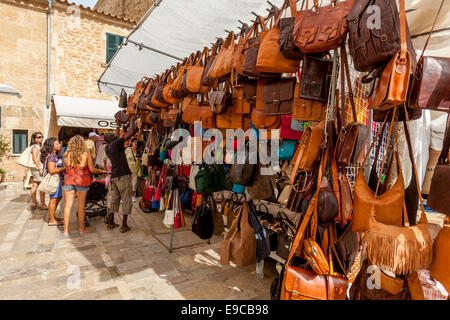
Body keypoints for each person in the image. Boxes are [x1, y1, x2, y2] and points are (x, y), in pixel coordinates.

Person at [63, 135, 106, 235]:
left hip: (68, 180)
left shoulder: (67, 154)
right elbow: (92, 170)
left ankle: (65, 230)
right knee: (81, 206)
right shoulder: (86, 154)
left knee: (67, 206)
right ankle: (82, 229)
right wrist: (101, 170)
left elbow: (67, 168)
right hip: (81, 181)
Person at [104, 115, 140, 233]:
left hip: (114, 176)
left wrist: (118, 124)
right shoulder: (115, 144)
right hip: (123, 175)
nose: (115, 135)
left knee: (114, 199)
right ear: (112, 138)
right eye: (113, 135)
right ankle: (124, 225)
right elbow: (129, 133)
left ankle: (111, 222)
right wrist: (133, 119)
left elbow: (118, 137)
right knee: (126, 199)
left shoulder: (108, 147)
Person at [40, 138, 65, 226]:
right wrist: (65, 168)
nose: (59, 145)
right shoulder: (51, 157)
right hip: (54, 180)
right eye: (57, 144)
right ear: (52, 146)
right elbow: (52, 170)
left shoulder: (56, 156)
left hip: (58, 179)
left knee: (58, 197)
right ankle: (51, 220)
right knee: (53, 199)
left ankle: (52, 216)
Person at [29, 131, 47, 210]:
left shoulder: (37, 146)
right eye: (39, 137)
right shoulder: (35, 147)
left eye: (42, 136)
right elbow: (35, 158)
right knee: (41, 185)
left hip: (36, 168)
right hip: (37, 168)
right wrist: (40, 168)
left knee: (35, 184)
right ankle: (42, 203)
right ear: (35, 139)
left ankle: (34, 202)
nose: (41, 138)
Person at [125, 137, 138, 202]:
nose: (136, 144)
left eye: (137, 143)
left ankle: (133, 196)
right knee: (127, 183)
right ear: (132, 143)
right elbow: (124, 158)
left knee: (134, 183)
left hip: (135, 169)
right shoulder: (128, 149)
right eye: (135, 142)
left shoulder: (139, 150)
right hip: (127, 169)